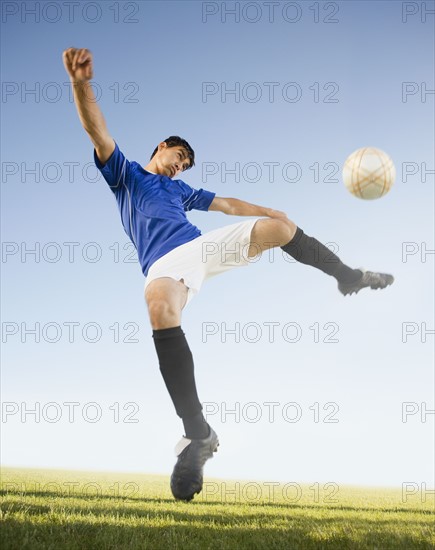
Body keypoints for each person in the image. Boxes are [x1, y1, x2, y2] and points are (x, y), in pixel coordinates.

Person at [63, 47, 394, 502]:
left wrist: (268, 210)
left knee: (281, 228)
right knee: (159, 307)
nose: (180, 165)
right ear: (160, 146)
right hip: (164, 264)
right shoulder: (126, 175)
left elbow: (227, 206)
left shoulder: (180, 191)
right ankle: (198, 435)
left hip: (200, 248)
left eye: (185, 164)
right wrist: (81, 84)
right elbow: (96, 128)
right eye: (178, 156)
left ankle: (347, 276)